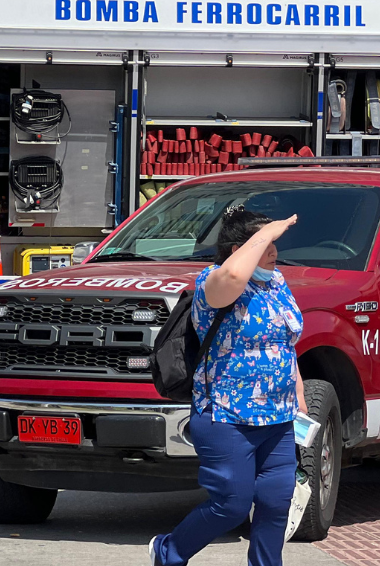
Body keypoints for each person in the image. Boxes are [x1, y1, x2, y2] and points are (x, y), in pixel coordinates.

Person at [150, 206, 305, 566]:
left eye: (273, 241)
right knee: (231, 505)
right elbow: (234, 276)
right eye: (263, 242)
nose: (273, 248)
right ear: (238, 249)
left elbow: (282, 340)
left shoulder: (276, 281)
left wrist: (297, 389)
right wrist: (271, 229)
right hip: (226, 414)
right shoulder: (214, 283)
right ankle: (169, 551)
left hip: (278, 416)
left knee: (275, 501)